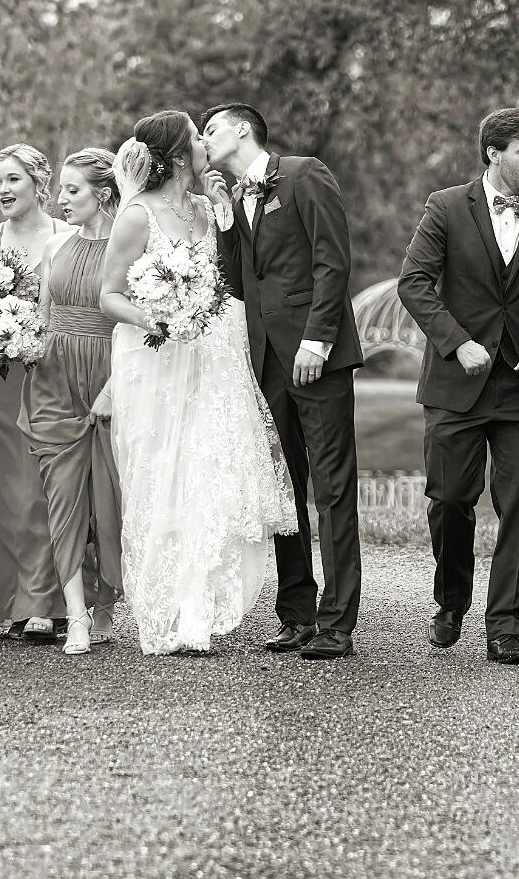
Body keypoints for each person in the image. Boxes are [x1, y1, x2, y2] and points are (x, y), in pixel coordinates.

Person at [396, 108, 519, 666]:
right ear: (493, 153)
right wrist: (456, 341)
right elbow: (413, 282)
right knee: (451, 499)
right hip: (457, 381)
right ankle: (451, 598)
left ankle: (507, 625)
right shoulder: (445, 207)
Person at [98, 110, 297, 655]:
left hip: (214, 355)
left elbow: (234, 276)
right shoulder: (137, 215)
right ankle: (169, 607)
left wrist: (228, 215)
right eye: (197, 137)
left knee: (209, 469)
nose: (207, 143)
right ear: (180, 155)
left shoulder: (211, 209)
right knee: (164, 473)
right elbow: (109, 294)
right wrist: (156, 317)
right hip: (158, 358)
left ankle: (199, 606)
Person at [200, 102, 364, 660]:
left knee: (333, 488)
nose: (204, 138)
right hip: (265, 358)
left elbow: (332, 260)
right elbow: (238, 280)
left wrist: (318, 339)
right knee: (282, 488)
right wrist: (224, 223)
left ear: (244, 130)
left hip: (315, 354)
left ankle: (337, 622)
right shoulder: (236, 198)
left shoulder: (303, 173)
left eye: (212, 128)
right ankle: (296, 614)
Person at [20, 148, 127, 655]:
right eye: (61, 189)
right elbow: (43, 320)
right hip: (53, 383)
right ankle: (77, 616)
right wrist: (14, 342)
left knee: (110, 502)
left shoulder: (128, 249)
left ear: (103, 194)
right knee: (63, 499)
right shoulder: (53, 249)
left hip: (110, 377)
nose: (61, 199)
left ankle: (106, 604)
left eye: (73, 190)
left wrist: (116, 385)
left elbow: (130, 325)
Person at [0, 143, 72, 644]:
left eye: (13, 180)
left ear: (38, 183)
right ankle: (9, 599)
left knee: (39, 489)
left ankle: (45, 599)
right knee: (0, 494)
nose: (4, 191)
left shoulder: (67, 238)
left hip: (48, 377)